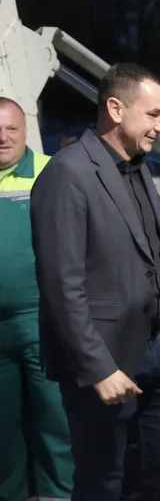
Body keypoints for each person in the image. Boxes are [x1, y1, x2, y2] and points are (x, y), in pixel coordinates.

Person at [30, 63, 160, 501]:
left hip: (157, 349)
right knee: (102, 479)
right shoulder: (67, 174)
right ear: (116, 108)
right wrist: (97, 368)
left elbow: (155, 259)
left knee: (158, 469)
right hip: (103, 359)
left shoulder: (139, 167)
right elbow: (60, 284)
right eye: (154, 115)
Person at [0, 97, 73, 501]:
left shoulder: (51, 173)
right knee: (3, 431)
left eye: (11, 129)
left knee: (55, 423)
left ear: (25, 131)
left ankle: (59, 496)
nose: (2, 138)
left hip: (41, 322)